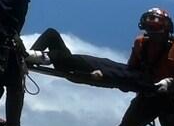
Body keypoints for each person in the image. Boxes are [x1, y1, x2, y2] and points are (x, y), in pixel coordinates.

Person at [25, 28, 154, 94]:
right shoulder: (133, 67)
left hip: (87, 69)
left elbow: (124, 80)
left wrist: (103, 75)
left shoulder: (139, 74)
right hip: (82, 63)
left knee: (59, 55)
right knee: (51, 34)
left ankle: (30, 57)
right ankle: (28, 59)